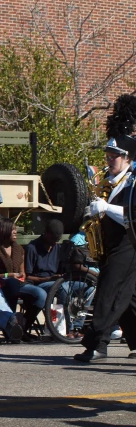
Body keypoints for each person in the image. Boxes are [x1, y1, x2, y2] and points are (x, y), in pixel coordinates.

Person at [74, 129, 136, 362]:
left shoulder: (133, 182)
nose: (109, 160)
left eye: (115, 156)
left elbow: (133, 216)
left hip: (128, 245)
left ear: (128, 158)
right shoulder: (112, 183)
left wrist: (106, 208)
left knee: (109, 292)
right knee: (128, 297)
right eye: (108, 155)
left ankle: (97, 345)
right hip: (112, 245)